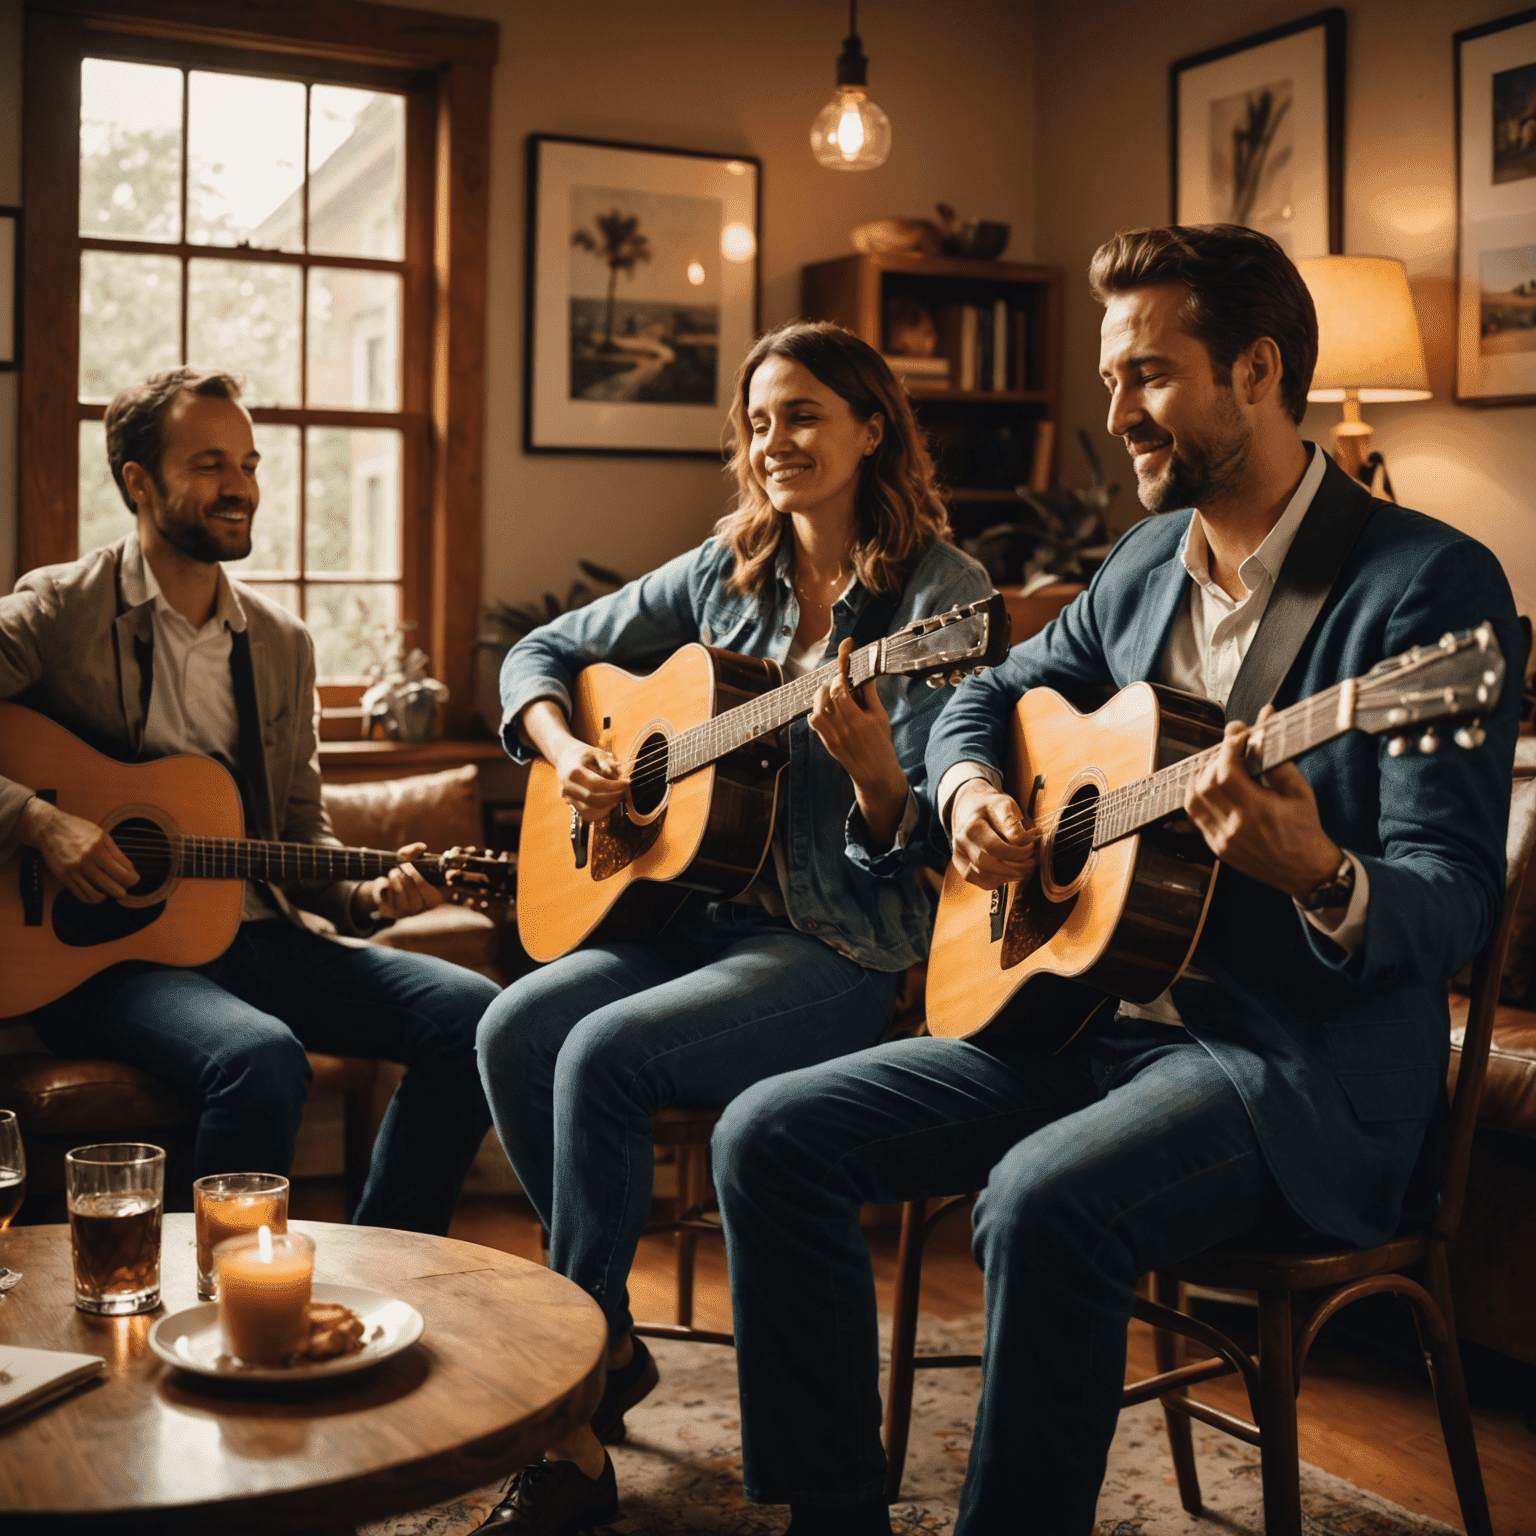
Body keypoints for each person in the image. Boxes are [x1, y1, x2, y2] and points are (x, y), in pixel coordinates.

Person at [712, 225, 1525, 1536]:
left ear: (1256, 372)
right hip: (1081, 1018)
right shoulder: (1147, 563)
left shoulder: (1424, 587)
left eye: (1147, 374)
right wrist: (974, 790)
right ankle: (833, 1517)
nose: (1114, 412)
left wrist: (1319, 871)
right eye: (1110, 379)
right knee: (769, 1136)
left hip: (1284, 1071)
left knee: (1040, 1204)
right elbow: (990, 692)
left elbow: (1454, 894)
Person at [476, 322, 993, 1532]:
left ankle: (569, 1429)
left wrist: (875, 774)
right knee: (510, 1029)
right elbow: (541, 654)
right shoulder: (724, 573)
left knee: (605, 1055)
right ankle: (602, 1345)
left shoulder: (942, 600)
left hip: (838, 946)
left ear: (874, 428)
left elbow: (923, 843)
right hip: (691, 919)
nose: (774, 443)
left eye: (804, 415)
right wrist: (575, 759)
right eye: (758, 422)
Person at [0, 367, 497, 1233]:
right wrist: (39, 821)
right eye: (209, 464)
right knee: (261, 1059)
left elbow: (299, 832)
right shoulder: (58, 610)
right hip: (105, 955)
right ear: (137, 481)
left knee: (479, 1019)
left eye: (249, 463)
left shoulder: (279, 643)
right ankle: (218, 1305)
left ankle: (389, 1258)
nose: (240, 488)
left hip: (259, 933)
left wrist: (369, 895)